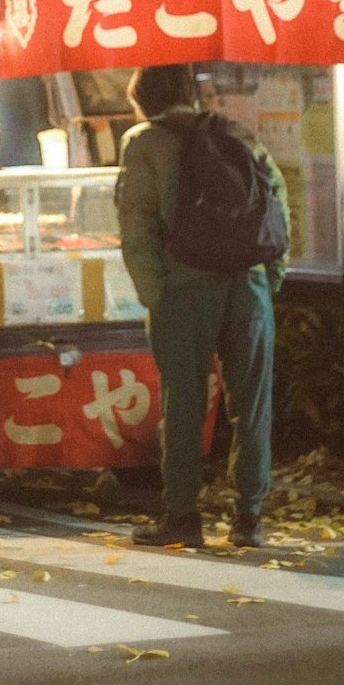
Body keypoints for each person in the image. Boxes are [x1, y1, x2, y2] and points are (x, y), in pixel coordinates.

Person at [115, 63, 288, 549]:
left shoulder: (144, 142)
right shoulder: (235, 131)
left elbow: (137, 223)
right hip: (248, 284)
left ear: (144, 102)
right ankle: (249, 518)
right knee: (251, 406)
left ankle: (183, 517)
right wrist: (269, 276)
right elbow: (277, 199)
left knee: (184, 403)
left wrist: (154, 294)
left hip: (185, 289)